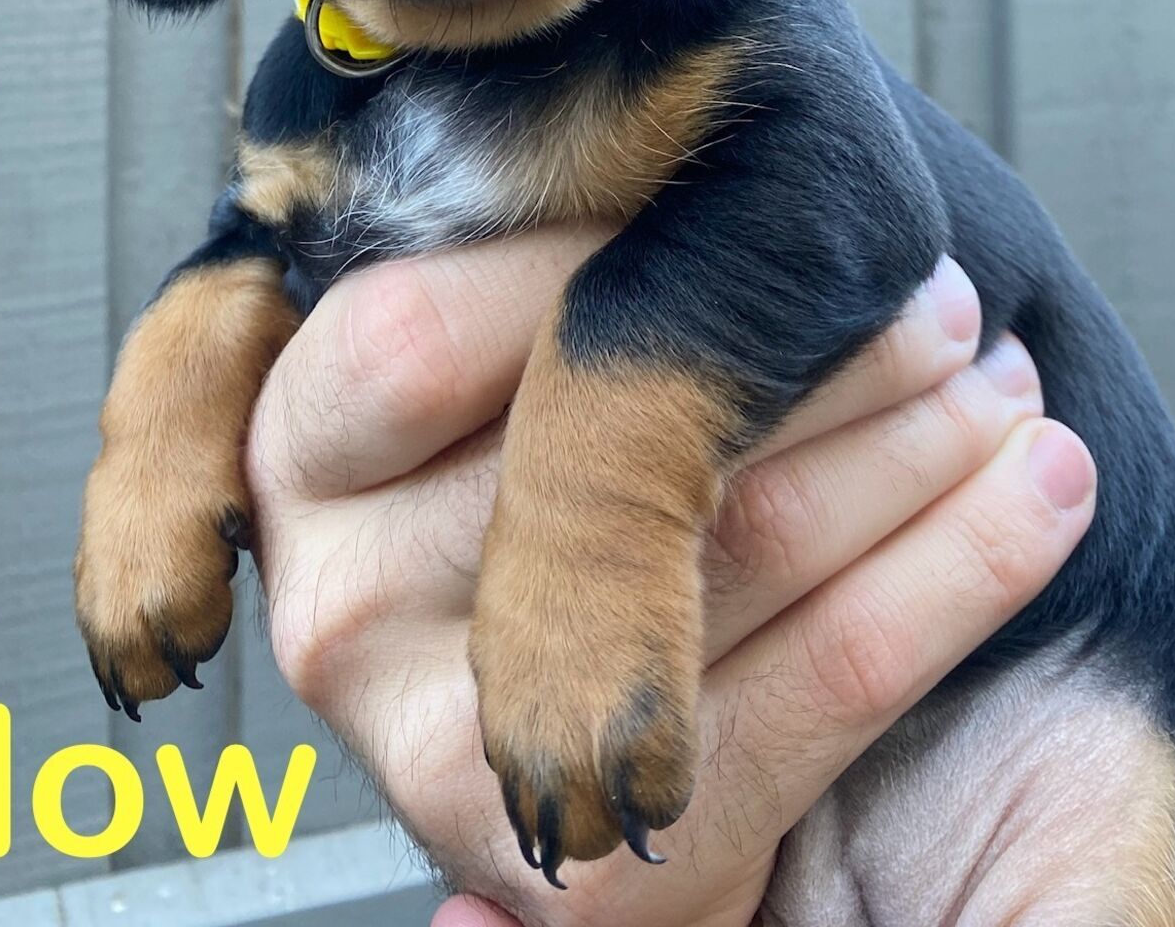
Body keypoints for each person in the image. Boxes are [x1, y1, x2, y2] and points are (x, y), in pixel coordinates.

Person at [246, 230, 1098, 927]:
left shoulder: (715, 46)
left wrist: (602, 508)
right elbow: (244, 251)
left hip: (1087, 698)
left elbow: (832, 188)